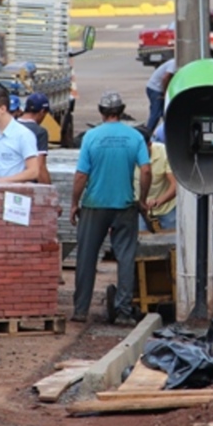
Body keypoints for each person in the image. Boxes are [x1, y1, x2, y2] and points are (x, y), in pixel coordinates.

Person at [70, 92, 150, 326]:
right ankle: (124, 312)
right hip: (124, 205)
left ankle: (81, 310)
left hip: (95, 205)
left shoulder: (91, 137)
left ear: (100, 111)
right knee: (125, 258)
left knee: (86, 257)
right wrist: (142, 199)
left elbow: (81, 175)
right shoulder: (134, 136)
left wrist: (75, 203)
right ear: (122, 110)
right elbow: (146, 170)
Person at [134, 125, 177, 232]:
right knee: (142, 241)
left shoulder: (164, 152)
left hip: (167, 208)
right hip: (138, 209)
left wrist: (159, 201)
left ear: (149, 145)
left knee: (171, 241)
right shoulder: (126, 155)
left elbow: (175, 185)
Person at [18, 92, 52, 184]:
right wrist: (48, 190)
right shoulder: (39, 132)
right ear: (42, 112)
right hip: (27, 185)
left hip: (7, 181)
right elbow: (40, 167)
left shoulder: (10, 127)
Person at [145, 58, 176, 134]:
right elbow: (165, 78)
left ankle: (168, 133)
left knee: (165, 112)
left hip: (156, 88)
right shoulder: (174, 63)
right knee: (156, 114)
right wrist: (165, 93)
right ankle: (147, 134)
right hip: (155, 88)